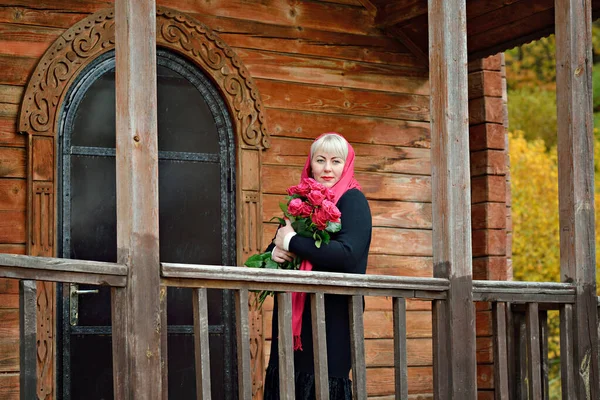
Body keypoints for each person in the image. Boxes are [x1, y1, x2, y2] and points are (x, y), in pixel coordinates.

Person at [263, 132, 372, 400]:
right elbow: (281, 242)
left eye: (336, 161)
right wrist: (275, 251)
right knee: (290, 381)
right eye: (320, 160)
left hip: (331, 314)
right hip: (294, 318)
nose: (326, 168)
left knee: (324, 384)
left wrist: (292, 242)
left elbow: (347, 254)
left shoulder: (352, 200)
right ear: (310, 164)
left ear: (346, 165)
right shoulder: (302, 202)